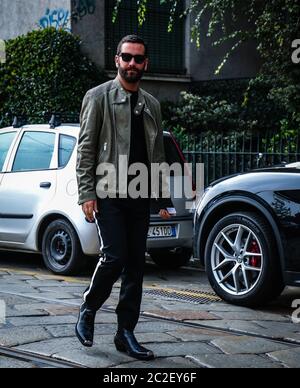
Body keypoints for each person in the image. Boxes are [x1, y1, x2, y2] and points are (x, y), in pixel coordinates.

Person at [75, 35, 173, 361]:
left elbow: (156, 154)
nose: (132, 64)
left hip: (140, 194)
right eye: (127, 57)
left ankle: (125, 332)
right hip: (108, 192)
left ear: (145, 64)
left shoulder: (152, 105)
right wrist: (87, 192)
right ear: (117, 59)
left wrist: (161, 200)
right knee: (114, 256)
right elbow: (86, 148)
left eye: (138, 59)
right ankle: (89, 308)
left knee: (135, 266)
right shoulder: (98, 97)